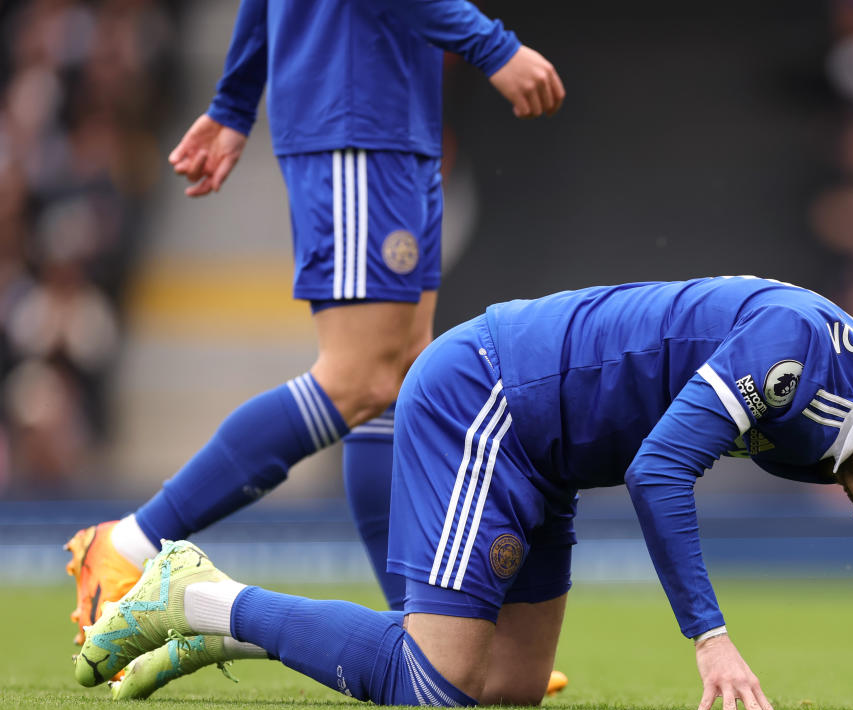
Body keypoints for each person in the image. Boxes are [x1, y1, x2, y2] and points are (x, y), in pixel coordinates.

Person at [78, 276, 853, 710]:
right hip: (491, 400)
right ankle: (198, 594)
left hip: (550, 454)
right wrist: (710, 636)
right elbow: (658, 467)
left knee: (499, 688)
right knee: (437, 681)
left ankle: (216, 629)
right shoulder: (791, 353)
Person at [62, 0, 567, 645]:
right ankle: (130, 542)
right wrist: (492, 47)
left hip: (393, 120)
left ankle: (424, 634)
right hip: (356, 119)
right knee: (358, 379)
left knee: (402, 380)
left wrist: (234, 102)